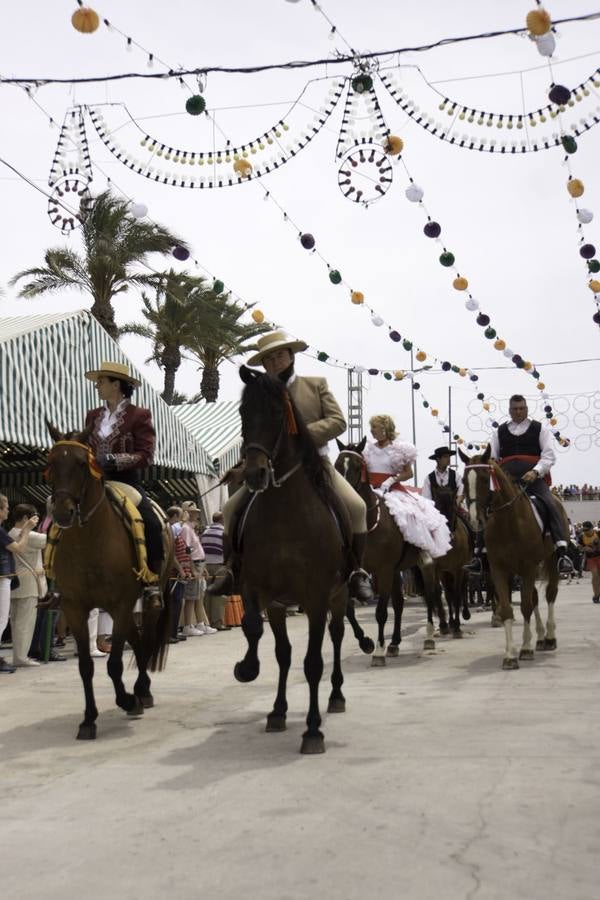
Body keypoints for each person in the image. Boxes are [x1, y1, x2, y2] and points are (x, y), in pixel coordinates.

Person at [206, 331, 373, 601]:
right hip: (272, 467)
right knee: (229, 507)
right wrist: (242, 464)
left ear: (291, 356)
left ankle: (356, 570)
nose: (275, 361)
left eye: (280, 355)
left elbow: (338, 421)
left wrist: (301, 434)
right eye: (269, 358)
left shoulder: (315, 384)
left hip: (315, 463)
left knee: (357, 506)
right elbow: (256, 433)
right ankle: (230, 569)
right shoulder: (261, 393)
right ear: (263, 365)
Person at [84, 361, 164, 608]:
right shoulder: (92, 415)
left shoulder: (139, 415)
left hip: (126, 481)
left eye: (101, 382)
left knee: (150, 522)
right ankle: (60, 581)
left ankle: (152, 581)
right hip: (96, 481)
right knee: (63, 513)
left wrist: (114, 459)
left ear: (115, 384)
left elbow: (146, 455)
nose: (97, 386)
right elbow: (87, 447)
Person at [465, 394, 573, 575]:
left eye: (521, 408)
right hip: (507, 481)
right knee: (486, 508)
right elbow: (491, 457)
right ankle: (480, 555)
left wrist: (535, 471)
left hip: (534, 480)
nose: (518, 411)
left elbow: (548, 456)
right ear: (509, 410)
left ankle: (562, 552)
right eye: (515, 409)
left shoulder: (540, 429)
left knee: (551, 503)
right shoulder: (499, 432)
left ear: (527, 409)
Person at [364, 415, 452, 562]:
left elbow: (408, 473)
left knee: (409, 514)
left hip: (392, 489)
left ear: (384, 429)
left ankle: (420, 550)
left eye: (374, 427)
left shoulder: (398, 449)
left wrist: (391, 480)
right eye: (371, 427)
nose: (371, 430)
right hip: (371, 488)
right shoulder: (368, 450)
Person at [0, 495, 39, 674]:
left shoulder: (5, 531)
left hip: (9, 579)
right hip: (9, 579)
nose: (8, 510)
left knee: (9, 620)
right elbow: (19, 548)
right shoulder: (7, 532)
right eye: (5, 507)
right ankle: (14, 658)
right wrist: (27, 529)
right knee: (8, 620)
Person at [8, 504, 48, 667]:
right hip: (29, 582)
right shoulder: (30, 535)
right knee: (25, 622)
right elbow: (50, 540)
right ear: (25, 518)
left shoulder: (10, 532)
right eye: (34, 517)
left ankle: (19, 655)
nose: (36, 521)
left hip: (15, 582)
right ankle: (21, 657)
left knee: (16, 622)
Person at [201, 511, 231, 631]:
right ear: (222, 520)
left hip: (206, 566)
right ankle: (217, 622)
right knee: (219, 595)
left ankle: (207, 622)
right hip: (219, 566)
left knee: (207, 594)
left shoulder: (205, 532)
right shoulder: (224, 532)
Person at [577, 521, 600, 603]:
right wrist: (584, 548)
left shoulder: (598, 533)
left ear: (592, 528)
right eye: (584, 530)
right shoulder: (581, 537)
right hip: (590, 558)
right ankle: (596, 595)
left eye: (587, 530)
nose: (586, 532)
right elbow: (579, 547)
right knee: (595, 575)